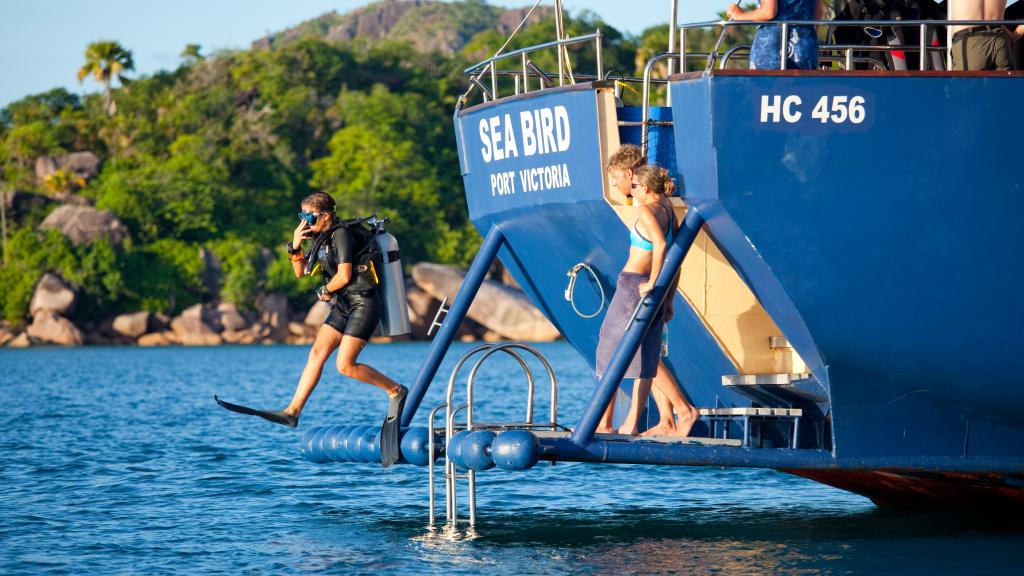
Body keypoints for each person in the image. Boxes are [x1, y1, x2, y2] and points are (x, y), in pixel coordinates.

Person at [216, 192, 407, 466]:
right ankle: (293, 411)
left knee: (345, 365)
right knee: (316, 353)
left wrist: (324, 290)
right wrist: (295, 244)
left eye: (309, 216)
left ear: (325, 215)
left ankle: (395, 390)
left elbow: (343, 275)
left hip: (363, 303)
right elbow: (300, 271)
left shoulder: (341, 235)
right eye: (301, 216)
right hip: (344, 304)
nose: (305, 221)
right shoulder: (321, 238)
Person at [596, 153, 699, 437]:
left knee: (610, 349)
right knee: (646, 354)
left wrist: (653, 282)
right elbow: (674, 258)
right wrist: (668, 296)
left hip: (634, 285)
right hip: (654, 287)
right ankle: (654, 420)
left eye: (619, 179)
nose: (627, 189)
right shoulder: (667, 207)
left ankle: (680, 410)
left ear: (641, 183)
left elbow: (661, 245)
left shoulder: (645, 209)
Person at [726, 0, 825, 70]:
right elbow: (818, 13)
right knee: (804, 94)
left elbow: (769, 12)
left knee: (762, 93)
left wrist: (739, 15)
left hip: (772, 47)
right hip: (805, 46)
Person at [950, 0, 1015, 71]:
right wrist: (1015, 34)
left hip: (970, 41)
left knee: (967, 82)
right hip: (1000, 39)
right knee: (1002, 82)